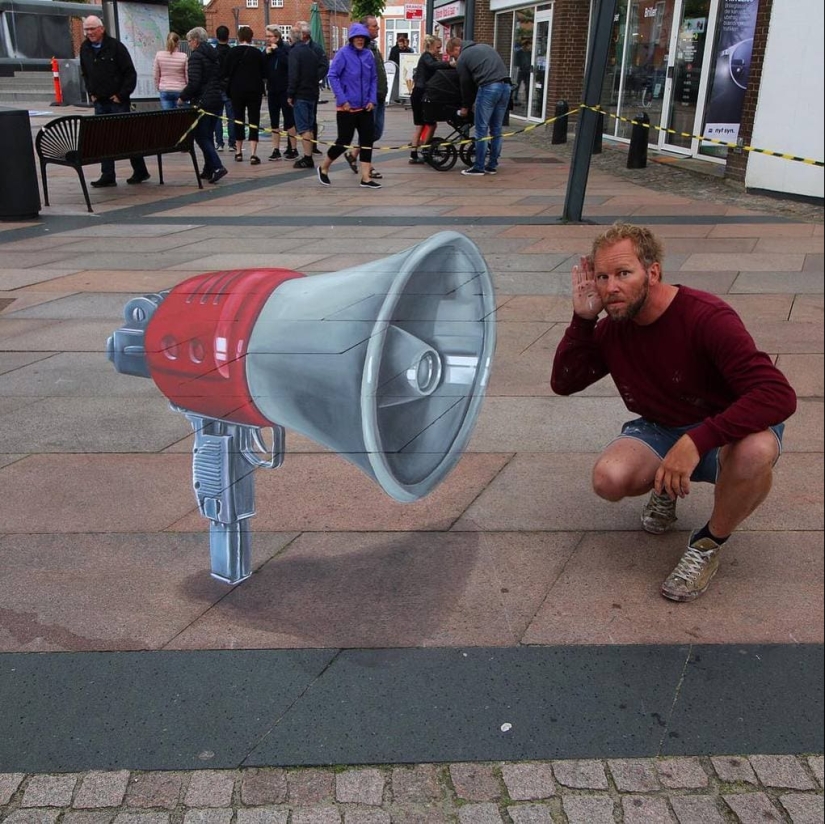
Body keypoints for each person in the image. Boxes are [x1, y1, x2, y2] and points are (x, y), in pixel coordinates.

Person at [550, 223, 797, 602]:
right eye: (602, 276)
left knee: (755, 453)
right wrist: (582, 320)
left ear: (653, 272)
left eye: (623, 273)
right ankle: (665, 486)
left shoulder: (706, 316)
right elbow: (564, 382)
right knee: (609, 479)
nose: (610, 287)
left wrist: (697, 441)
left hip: (728, 429)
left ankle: (707, 544)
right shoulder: (615, 326)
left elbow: (778, 394)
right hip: (662, 426)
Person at [78, 15, 150, 187]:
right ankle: (108, 175)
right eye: (86, 29)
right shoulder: (85, 48)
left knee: (126, 137)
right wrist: (91, 92)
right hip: (100, 101)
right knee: (104, 139)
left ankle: (140, 170)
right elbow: (85, 73)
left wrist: (121, 95)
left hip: (117, 101)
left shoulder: (116, 47)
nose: (89, 33)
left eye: (92, 29)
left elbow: (129, 73)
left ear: (101, 29)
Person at [317, 23, 381, 190]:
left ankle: (365, 178)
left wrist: (372, 100)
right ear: (351, 39)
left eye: (362, 38)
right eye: (357, 38)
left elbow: (374, 78)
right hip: (346, 108)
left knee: (367, 141)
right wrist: (342, 99)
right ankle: (324, 167)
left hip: (365, 107)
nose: (360, 40)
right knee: (344, 140)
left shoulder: (368, 55)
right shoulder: (343, 54)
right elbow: (333, 75)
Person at [453, 37, 511, 176]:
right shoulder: (486, 47)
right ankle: (492, 165)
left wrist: (465, 107)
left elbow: (465, 85)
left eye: (452, 55)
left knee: (481, 129)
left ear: (456, 48)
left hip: (489, 87)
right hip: (506, 87)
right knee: (496, 129)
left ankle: (478, 167)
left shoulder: (463, 57)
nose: (454, 59)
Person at [178, 27, 228, 184]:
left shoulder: (196, 57)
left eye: (190, 40)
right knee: (208, 135)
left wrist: (183, 97)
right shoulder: (214, 55)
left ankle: (218, 166)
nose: (190, 43)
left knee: (200, 136)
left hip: (203, 101)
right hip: (216, 99)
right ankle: (208, 168)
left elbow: (194, 82)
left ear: (196, 40)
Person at [342, 15, 387, 180]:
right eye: (374, 26)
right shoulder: (362, 50)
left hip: (379, 97)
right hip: (369, 100)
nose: (378, 28)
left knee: (376, 133)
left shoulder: (373, 48)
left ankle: (353, 155)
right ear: (365, 29)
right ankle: (367, 168)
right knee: (368, 134)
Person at [408, 35, 457, 164]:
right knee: (428, 124)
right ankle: (423, 150)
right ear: (430, 46)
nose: (439, 50)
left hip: (420, 93)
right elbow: (433, 66)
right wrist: (450, 64)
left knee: (423, 125)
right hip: (421, 94)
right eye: (438, 47)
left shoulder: (429, 57)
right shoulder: (426, 57)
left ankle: (417, 152)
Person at [287, 20, 328, 169]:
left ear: (291, 38)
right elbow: (318, 70)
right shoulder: (311, 51)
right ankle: (309, 155)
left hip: (301, 94)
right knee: (309, 126)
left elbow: (293, 75)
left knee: (303, 127)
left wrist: (290, 94)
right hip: (312, 93)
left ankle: (307, 157)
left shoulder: (294, 53)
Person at [224, 25, 266, 164]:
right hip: (254, 90)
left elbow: (226, 72)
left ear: (238, 37)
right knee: (254, 119)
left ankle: (238, 152)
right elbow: (263, 73)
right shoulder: (257, 53)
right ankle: (253, 154)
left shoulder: (232, 52)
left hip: (237, 90)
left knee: (238, 119)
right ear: (251, 37)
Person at [263, 25, 296, 160]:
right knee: (274, 121)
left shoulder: (286, 49)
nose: (267, 39)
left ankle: (293, 148)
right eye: (266, 36)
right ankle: (275, 149)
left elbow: (289, 64)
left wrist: (277, 52)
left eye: (269, 36)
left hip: (285, 89)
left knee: (289, 120)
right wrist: (265, 54)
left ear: (277, 37)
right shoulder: (268, 50)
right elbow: (262, 66)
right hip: (272, 89)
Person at [213, 26, 236, 153]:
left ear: (217, 36)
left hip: (217, 87)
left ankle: (219, 142)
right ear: (228, 36)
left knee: (217, 116)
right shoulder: (232, 52)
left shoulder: (214, 52)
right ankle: (232, 143)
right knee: (231, 116)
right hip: (229, 87)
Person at [153, 32, 188, 110]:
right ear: (178, 43)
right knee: (182, 118)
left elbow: (156, 74)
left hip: (165, 89)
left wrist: (158, 86)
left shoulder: (159, 55)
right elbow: (187, 75)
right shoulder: (184, 56)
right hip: (180, 89)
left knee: (168, 118)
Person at [513, 38, 531, 104]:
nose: (529, 47)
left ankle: (527, 98)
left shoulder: (529, 53)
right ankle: (515, 97)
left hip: (527, 71)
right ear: (525, 45)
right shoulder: (519, 53)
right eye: (528, 45)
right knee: (517, 84)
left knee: (527, 85)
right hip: (521, 70)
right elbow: (516, 62)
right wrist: (519, 68)